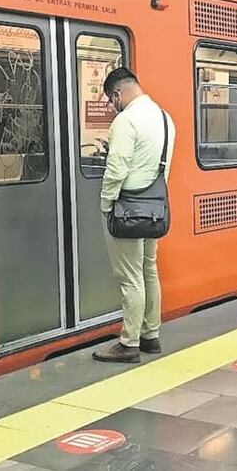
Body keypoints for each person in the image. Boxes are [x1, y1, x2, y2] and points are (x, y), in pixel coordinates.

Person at [93, 67, 176, 364]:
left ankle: (128, 343)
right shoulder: (166, 119)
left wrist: (106, 205)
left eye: (111, 100)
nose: (112, 106)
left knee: (130, 278)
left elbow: (116, 170)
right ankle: (150, 335)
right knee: (148, 270)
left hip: (127, 208)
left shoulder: (125, 120)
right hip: (153, 209)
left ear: (117, 93)